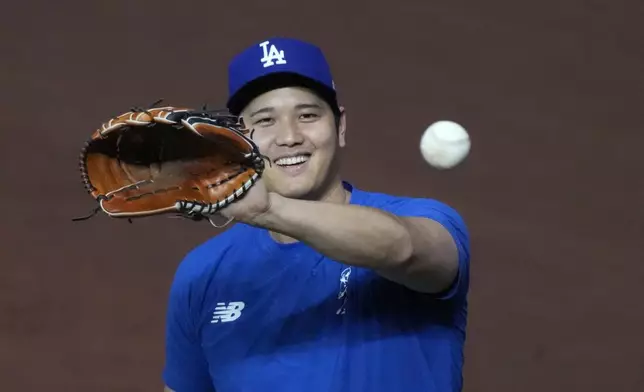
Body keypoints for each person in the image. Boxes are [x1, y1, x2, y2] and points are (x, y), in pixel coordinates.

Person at [162, 37, 471, 392]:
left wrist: (268, 209)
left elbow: (402, 249)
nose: (289, 137)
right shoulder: (201, 274)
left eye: (307, 115)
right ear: (237, 141)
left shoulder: (426, 220)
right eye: (265, 121)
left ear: (340, 126)